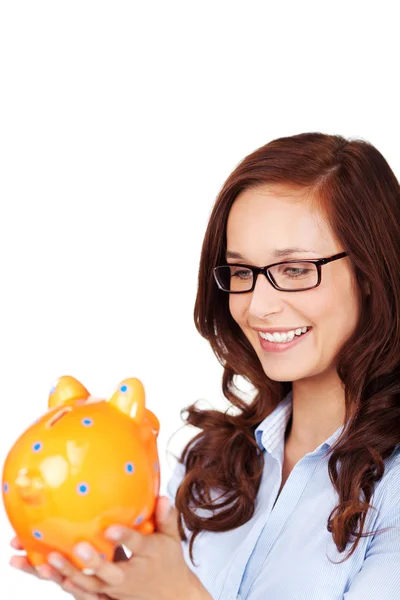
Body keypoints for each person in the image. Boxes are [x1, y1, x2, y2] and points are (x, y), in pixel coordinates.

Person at [9, 132, 400, 599]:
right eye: (241, 272)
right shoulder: (207, 468)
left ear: (370, 273)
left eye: (294, 270)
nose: (258, 306)